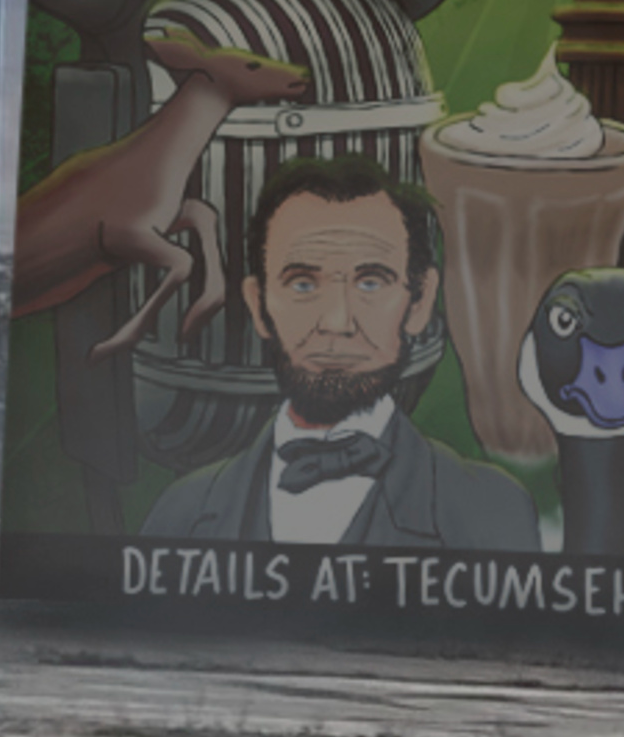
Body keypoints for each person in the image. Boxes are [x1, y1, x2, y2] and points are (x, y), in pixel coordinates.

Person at [140, 154, 540, 551]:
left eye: (370, 283)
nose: (336, 321)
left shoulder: (490, 509)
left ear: (420, 303)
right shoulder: (182, 514)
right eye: (302, 284)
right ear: (259, 306)